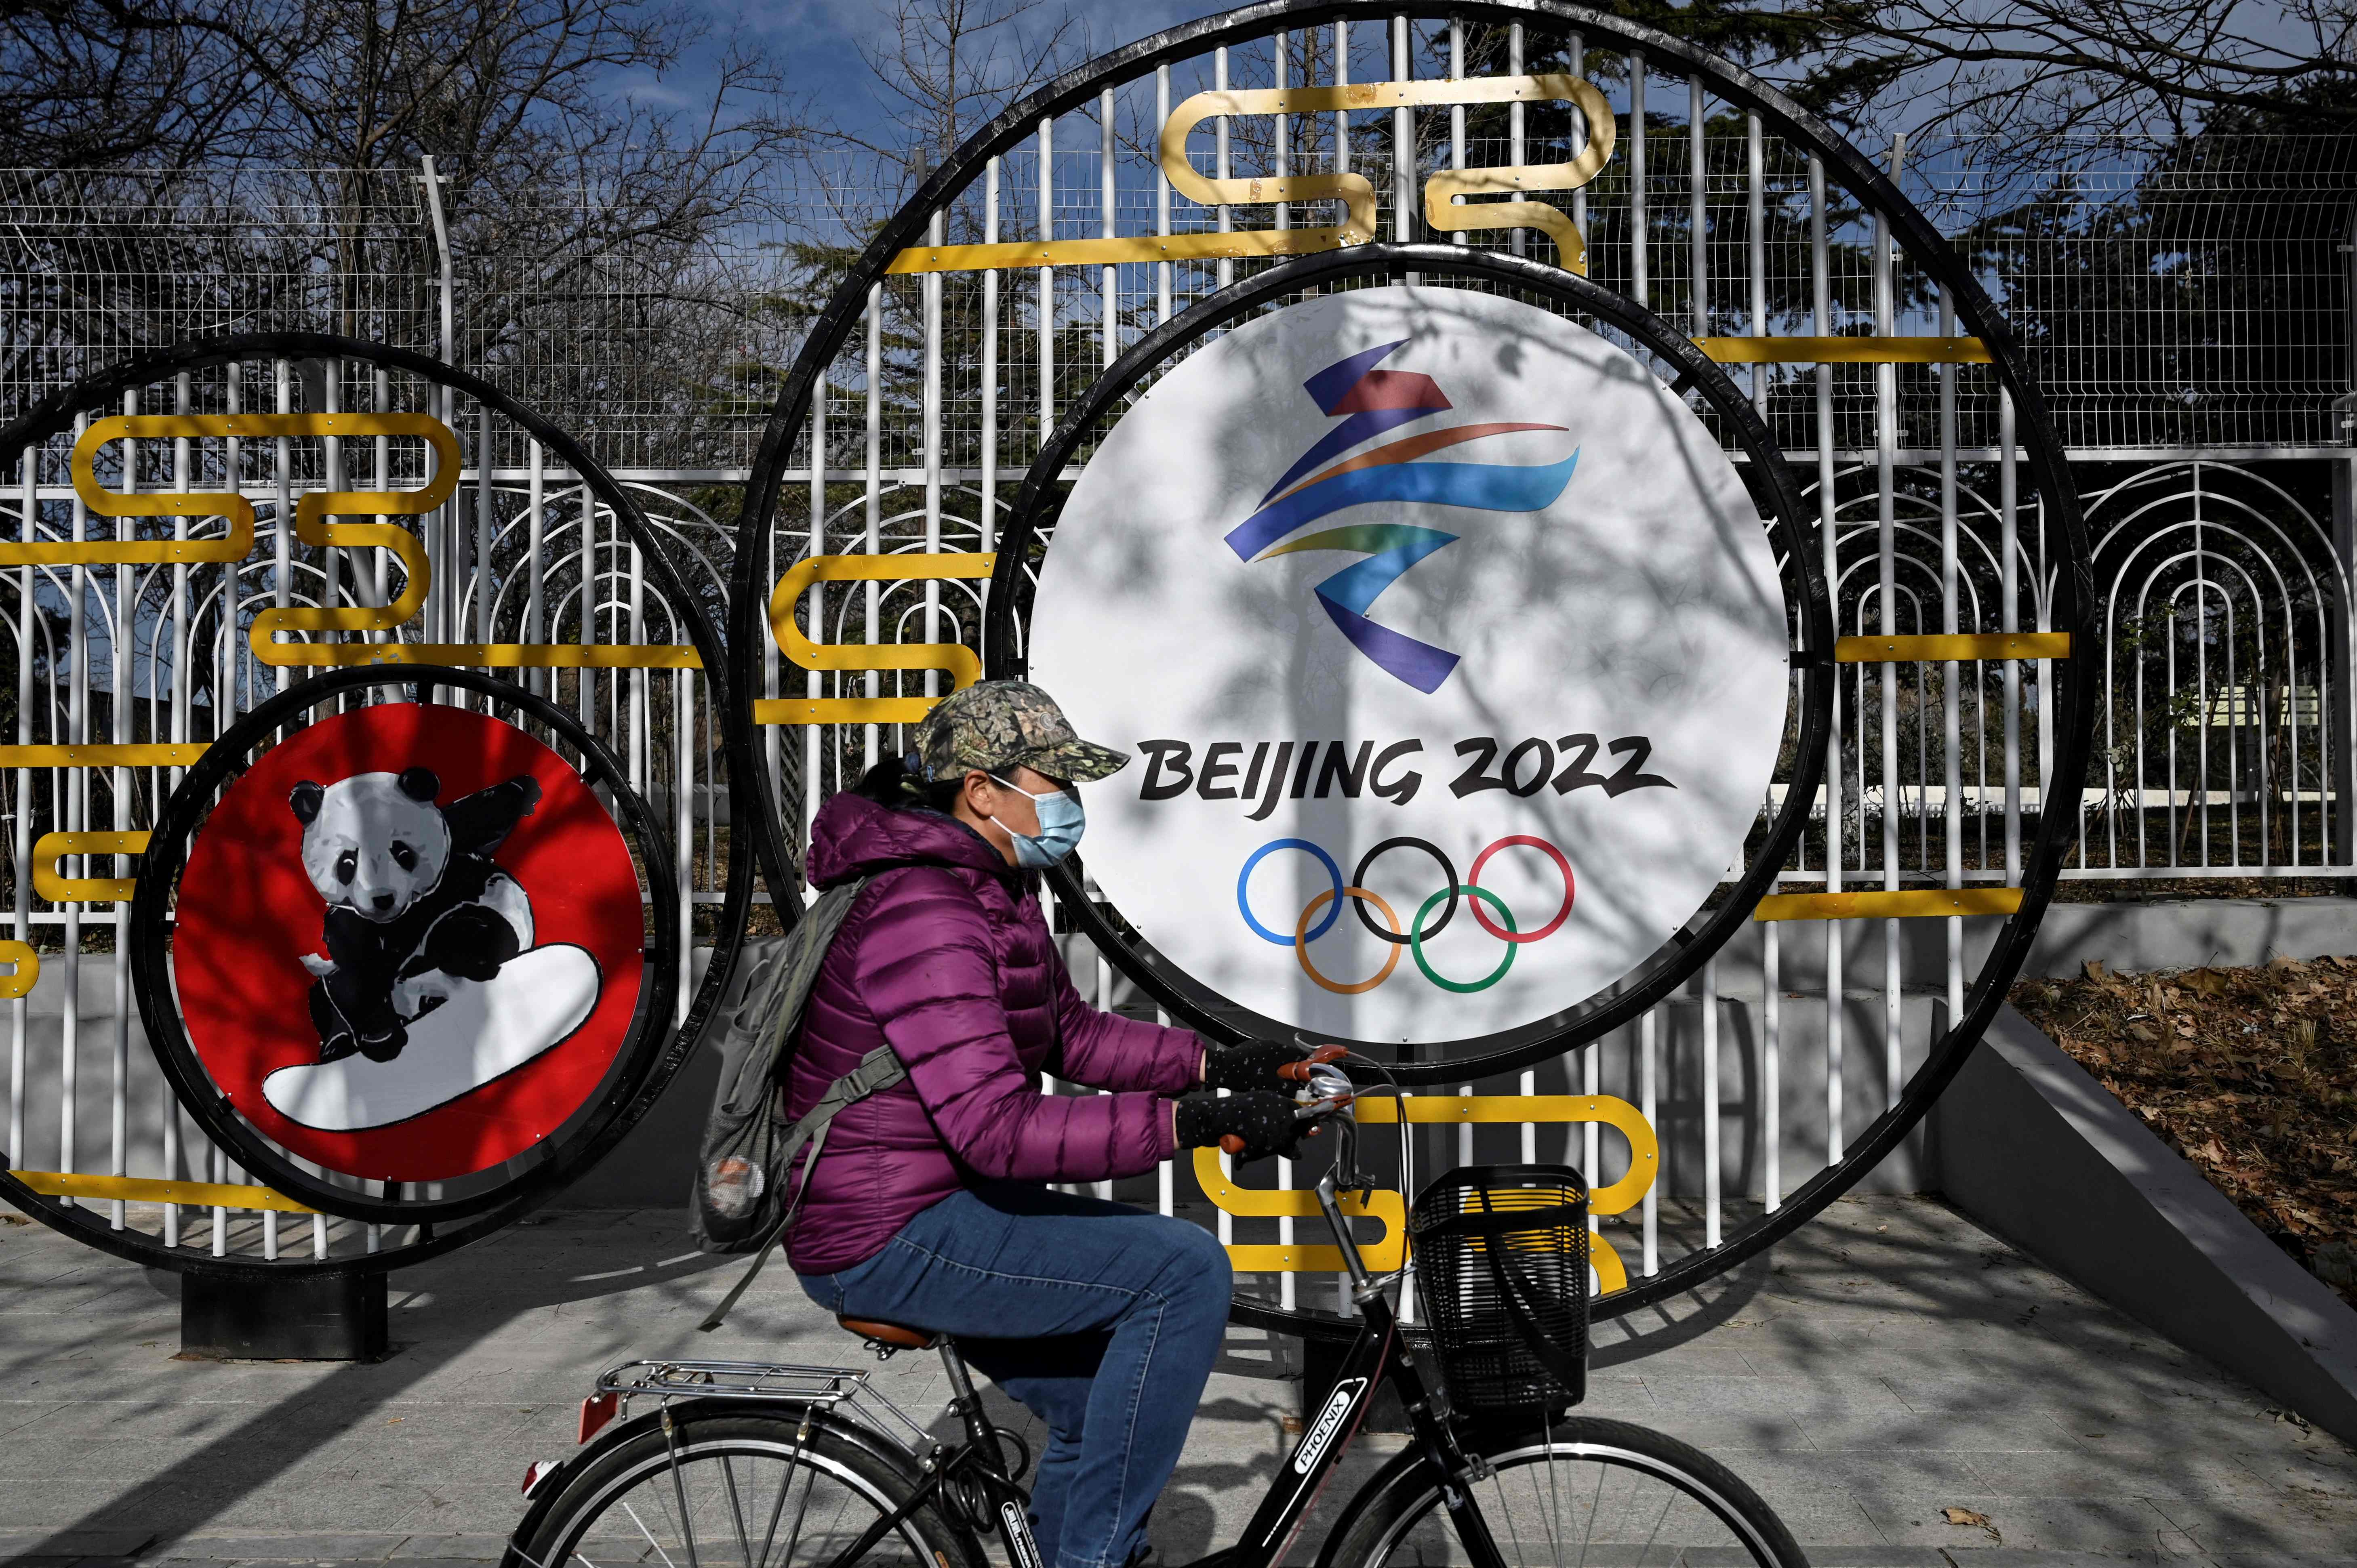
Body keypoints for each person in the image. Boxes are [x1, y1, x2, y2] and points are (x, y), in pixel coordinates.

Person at [784, 680, 1326, 1568]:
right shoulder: (927, 910)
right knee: (1184, 1270)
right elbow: (996, 1129)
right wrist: (1192, 1124)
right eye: (1056, 780)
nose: (1071, 801)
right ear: (981, 791)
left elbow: (1068, 1033)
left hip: (934, 1200)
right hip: (884, 1228)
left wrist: (1220, 1065)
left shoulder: (988, 888)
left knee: (1093, 1408)